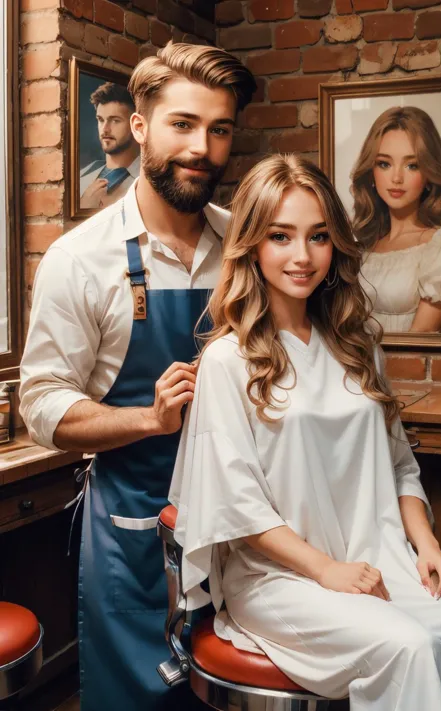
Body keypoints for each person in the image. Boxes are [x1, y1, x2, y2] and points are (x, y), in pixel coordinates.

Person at [170, 154, 441, 711]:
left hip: (377, 557)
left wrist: (427, 546)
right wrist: (326, 570)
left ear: (336, 245)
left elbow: (401, 465)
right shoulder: (227, 361)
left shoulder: (358, 348)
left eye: (318, 237)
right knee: (405, 646)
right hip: (277, 579)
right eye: (281, 236)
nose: (302, 256)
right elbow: (238, 509)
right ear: (253, 246)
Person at [19, 42, 256, 711]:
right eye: (183, 124)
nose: (202, 148)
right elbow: (43, 406)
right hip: (134, 533)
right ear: (143, 125)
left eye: (219, 130)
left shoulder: (247, 246)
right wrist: (150, 419)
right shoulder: (80, 259)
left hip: (243, 531)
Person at [351, 106, 441, 333]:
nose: (396, 178)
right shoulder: (365, 248)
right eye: (384, 164)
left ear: (429, 175)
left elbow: (416, 350)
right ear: (372, 173)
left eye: (412, 165)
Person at [80, 82, 141, 210]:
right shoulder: (82, 177)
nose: (105, 129)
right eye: (101, 120)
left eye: (115, 121)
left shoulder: (151, 180)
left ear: (136, 125)